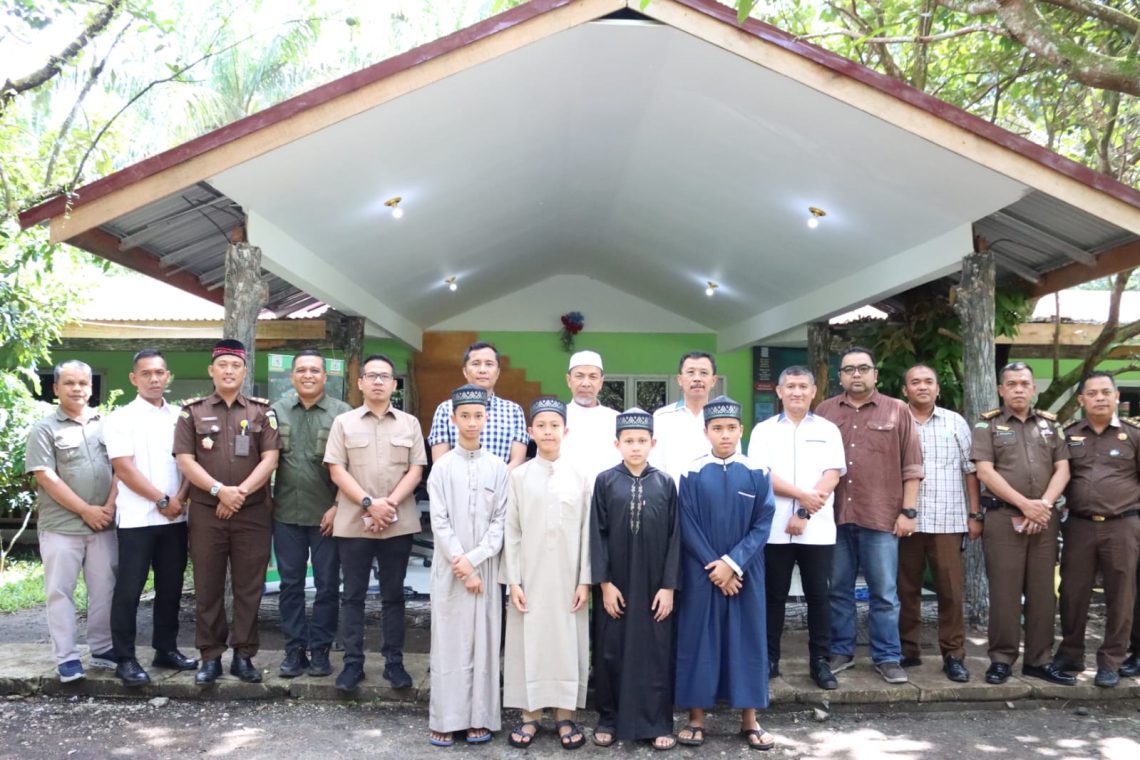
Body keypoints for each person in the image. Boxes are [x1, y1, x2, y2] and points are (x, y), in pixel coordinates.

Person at [174, 339, 280, 685]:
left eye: (236, 366)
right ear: (212, 370)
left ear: (245, 371)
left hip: (252, 514)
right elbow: (185, 459)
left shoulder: (262, 412)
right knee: (208, 586)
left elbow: (271, 458)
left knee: (250, 587)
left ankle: (244, 656)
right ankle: (210, 656)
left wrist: (240, 493)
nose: (229, 371)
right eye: (223, 365)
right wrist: (220, 491)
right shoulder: (191, 411)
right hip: (207, 512)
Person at [816, 347, 923, 685]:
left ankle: (888, 656)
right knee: (838, 591)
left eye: (864, 368)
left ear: (875, 374)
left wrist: (908, 511)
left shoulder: (898, 410)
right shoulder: (825, 411)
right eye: (849, 369)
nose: (856, 375)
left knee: (884, 593)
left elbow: (912, 465)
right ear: (841, 376)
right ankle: (841, 650)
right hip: (834, 517)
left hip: (881, 517)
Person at [674, 396, 776, 752]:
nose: (725, 435)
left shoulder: (758, 471)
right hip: (702, 571)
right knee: (698, 640)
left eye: (731, 428)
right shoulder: (691, 471)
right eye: (717, 428)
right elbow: (685, 522)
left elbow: (763, 524)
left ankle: (749, 719)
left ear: (741, 429)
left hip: (746, 573)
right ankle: (696, 718)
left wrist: (733, 564)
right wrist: (714, 565)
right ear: (706, 432)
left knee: (747, 639)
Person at [325, 354, 427, 692]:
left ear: (395, 385)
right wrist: (370, 504)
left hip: (397, 522)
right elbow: (336, 469)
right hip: (355, 521)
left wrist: (388, 505)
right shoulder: (344, 423)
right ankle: (353, 663)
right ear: (360, 382)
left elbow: (416, 469)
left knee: (393, 595)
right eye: (372, 376)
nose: (378, 381)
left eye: (385, 376)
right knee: (352, 594)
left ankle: (394, 663)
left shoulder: (409, 423)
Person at [972, 361, 1072, 686]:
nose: (1018, 388)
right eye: (1011, 383)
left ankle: (1039, 661)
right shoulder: (986, 426)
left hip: (1044, 519)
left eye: (1024, 383)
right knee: (1005, 593)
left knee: (1044, 593)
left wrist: (1041, 506)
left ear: (1033, 388)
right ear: (1001, 389)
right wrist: (1024, 505)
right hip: (1003, 520)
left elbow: (1063, 469)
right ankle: (1001, 659)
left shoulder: (1050, 426)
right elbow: (984, 471)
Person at [502, 397, 591, 751]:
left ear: (565, 431)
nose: (549, 431)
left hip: (571, 580)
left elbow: (587, 532)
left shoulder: (581, 475)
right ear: (531, 431)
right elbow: (512, 531)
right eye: (542, 425)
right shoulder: (520, 476)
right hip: (530, 578)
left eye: (555, 425)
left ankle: (566, 715)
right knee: (529, 645)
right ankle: (529, 715)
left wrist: (585, 579)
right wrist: (513, 580)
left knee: (568, 644)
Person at [103, 349, 197, 686]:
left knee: (171, 588)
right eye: (146, 374)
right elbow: (124, 469)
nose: (154, 379)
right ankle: (125, 658)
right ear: (134, 378)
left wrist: (180, 498)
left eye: (160, 373)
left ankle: (165, 649)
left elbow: (188, 461)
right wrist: (160, 499)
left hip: (174, 519)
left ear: (168, 376)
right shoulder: (120, 418)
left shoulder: (180, 417)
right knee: (129, 589)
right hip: (137, 520)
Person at [748, 366, 844, 690]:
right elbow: (763, 476)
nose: (797, 392)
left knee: (819, 596)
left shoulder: (829, 429)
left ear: (814, 391)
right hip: (773, 528)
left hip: (816, 528)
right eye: (790, 386)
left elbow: (832, 475)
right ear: (779, 391)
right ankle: (769, 659)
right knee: (773, 597)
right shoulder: (763, 431)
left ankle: (820, 662)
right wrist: (802, 495)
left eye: (803, 386)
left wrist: (803, 510)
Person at [590, 407, 680, 751]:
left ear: (653, 442)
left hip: (656, 588)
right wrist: (605, 584)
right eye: (629, 440)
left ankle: (657, 721)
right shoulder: (605, 481)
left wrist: (669, 587)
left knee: (656, 653)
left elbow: (676, 538)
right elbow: (596, 535)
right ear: (617, 444)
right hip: (616, 586)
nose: (636, 447)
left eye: (642, 440)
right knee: (611, 652)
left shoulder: (665, 483)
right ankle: (609, 719)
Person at [426, 385, 510, 747]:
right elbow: (439, 521)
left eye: (478, 415)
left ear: (486, 419)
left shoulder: (498, 468)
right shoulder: (442, 467)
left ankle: (480, 718)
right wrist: (462, 564)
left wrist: (474, 562)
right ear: (453, 418)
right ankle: (445, 718)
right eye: (465, 416)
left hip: (486, 570)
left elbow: (501, 522)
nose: (472, 422)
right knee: (449, 643)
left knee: (484, 643)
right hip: (449, 570)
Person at [25, 360, 118, 683]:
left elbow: (120, 468)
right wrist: (85, 510)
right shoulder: (45, 428)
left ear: (91, 388)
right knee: (60, 592)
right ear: (56, 389)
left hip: (104, 524)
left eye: (83, 383)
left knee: (105, 589)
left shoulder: (105, 425)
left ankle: (103, 649)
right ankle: (67, 658)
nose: (77, 389)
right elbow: (45, 476)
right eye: (69, 383)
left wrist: (107, 506)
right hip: (62, 526)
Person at [1052, 372, 1140, 688]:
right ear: (1081, 400)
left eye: (1106, 392)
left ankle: (1111, 662)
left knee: (1122, 595)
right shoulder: (1069, 435)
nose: (1100, 397)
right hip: (1079, 526)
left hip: (1123, 526)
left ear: (1117, 396)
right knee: (1072, 593)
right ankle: (1070, 655)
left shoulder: (1133, 434)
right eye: (1092, 393)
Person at [270, 350, 352, 679]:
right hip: (285, 514)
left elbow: (351, 466)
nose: (308, 375)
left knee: (327, 586)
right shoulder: (274, 412)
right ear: (292, 376)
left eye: (314, 370)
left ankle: (319, 650)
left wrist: (338, 507)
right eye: (301, 370)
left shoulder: (342, 414)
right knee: (289, 586)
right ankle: (293, 650)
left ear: (324, 376)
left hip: (327, 516)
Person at [898, 364, 981, 683]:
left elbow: (969, 469)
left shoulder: (955, 422)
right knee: (905, 589)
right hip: (908, 520)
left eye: (928, 382)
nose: (922, 386)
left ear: (937, 388)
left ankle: (954, 655)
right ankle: (908, 650)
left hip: (949, 519)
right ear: (905, 389)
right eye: (915, 382)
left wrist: (975, 514)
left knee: (950, 592)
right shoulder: (897, 420)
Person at [428, 341, 528, 468]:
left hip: (501, 485)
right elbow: (440, 463)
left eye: (489, 364)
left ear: (497, 372)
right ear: (465, 371)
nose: (482, 370)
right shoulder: (445, 409)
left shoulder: (514, 411)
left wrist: (495, 484)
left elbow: (518, 460)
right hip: (456, 485)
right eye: (476, 364)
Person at [651, 352, 729, 482]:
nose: (697, 378)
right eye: (691, 372)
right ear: (680, 380)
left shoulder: (724, 419)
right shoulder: (662, 418)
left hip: (713, 499)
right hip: (672, 498)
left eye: (704, 373)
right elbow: (654, 465)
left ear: (713, 380)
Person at [561, 350, 621, 481]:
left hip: (607, 497)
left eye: (593, 377)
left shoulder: (616, 419)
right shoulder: (556, 417)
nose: (586, 383)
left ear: (601, 382)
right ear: (569, 380)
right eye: (579, 376)